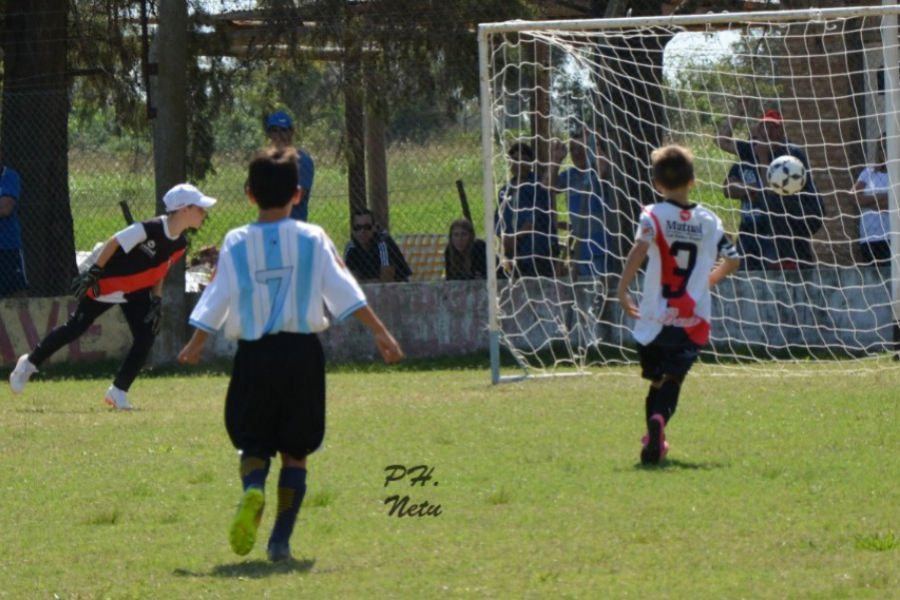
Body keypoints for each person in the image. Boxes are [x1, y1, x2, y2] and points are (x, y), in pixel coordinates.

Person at [177, 147, 403, 563]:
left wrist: (196, 342)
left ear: (249, 194)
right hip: (301, 354)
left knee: (254, 444)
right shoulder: (313, 238)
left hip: (254, 355)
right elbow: (345, 289)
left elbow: (217, 294)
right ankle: (280, 539)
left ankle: (252, 491)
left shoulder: (236, 241)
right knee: (295, 450)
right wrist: (381, 333)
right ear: (298, 194)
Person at [8, 183, 215, 409]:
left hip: (136, 291)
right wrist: (94, 272)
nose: (204, 213)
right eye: (200, 208)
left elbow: (159, 271)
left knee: (146, 335)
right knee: (75, 327)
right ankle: (29, 363)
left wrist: (156, 300)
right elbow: (114, 242)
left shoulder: (180, 244)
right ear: (184, 209)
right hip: (107, 285)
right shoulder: (149, 229)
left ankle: (118, 391)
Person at [617, 145, 740, 465]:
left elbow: (640, 249)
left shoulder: (653, 214)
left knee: (656, 381)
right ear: (693, 181)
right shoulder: (710, 220)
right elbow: (734, 259)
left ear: (657, 184)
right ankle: (659, 423)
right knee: (673, 380)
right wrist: (707, 282)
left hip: (655, 318)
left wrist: (622, 287)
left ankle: (654, 434)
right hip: (692, 318)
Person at [717, 109, 824, 269]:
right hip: (754, 230)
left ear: (781, 130)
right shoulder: (753, 150)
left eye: (773, 127)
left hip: (803, 214)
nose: (768, 131)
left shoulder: (791, 153)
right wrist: (739, 109)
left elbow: (771, 190)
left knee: (792, 261)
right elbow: (722, 141)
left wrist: (763, 158)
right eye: (764, 126)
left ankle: (790, 262)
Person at [552, 132, 614, 279]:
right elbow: (549, 186)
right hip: (581, 251)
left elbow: (604, 169)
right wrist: (556, 160)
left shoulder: (598, 171)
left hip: (603, 248)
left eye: (581, 148)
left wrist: (596, 144)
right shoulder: (569, 176)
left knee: (603, 292)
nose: (576, 153)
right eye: (572, 149)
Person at [496, 141, 559, 277]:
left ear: (531, 163)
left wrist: (517, 237)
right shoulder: (504, 191)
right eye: (516, 160)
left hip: (535, 246)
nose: (520, 164)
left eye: (524, 160)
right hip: (510, 247)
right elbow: (499, 220)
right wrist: (506, 238)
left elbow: (536, 217)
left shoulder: (537, 186)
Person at [265, 110, 315, 223]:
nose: (279, 136)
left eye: (283, 130)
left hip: (294, 225)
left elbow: (295, 197)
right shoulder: (265, 160)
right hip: (269, 225)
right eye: (274, 131)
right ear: (269, 134)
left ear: (291, 132)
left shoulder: (302, 160)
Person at [343, 209, 412, 283]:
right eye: (357, 228)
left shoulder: (383, 244)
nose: (362, 231)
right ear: (352, 230)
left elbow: (386, 282)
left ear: (374, 228)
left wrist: (361, 283)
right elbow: (349, 280)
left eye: (367, 227)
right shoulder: (351, 247)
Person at [853, 137, 891, 266]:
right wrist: (883, 195)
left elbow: (891, 205)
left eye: (887, 147)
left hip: (889, 236)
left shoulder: (895, 174)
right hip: (868, 237)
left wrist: (869, 203)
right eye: (881, 148)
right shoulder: (868, 173)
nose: (884, 151)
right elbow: (856, 197)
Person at [0, 155, 26, 297]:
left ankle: (24, 319)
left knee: (17, 293)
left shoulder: (9, 177)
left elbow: (5, 209)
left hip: (7, 248)